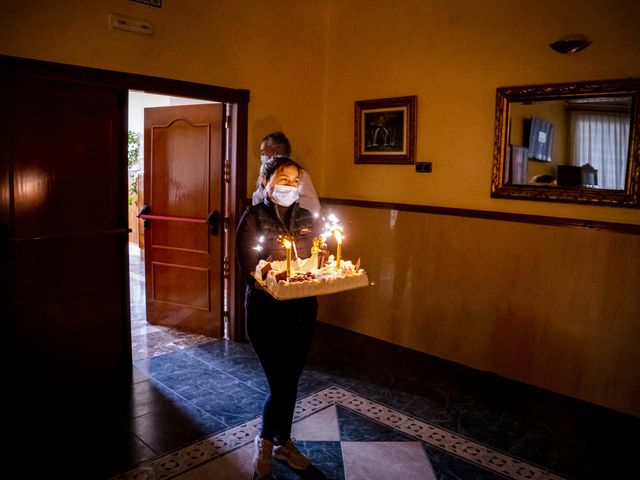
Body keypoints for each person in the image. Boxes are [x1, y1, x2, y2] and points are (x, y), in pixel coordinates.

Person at [236, 156, 320, 478]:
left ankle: (281, 443)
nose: (289, 185)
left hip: (302, 312)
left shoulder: (307, 218)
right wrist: (273, 276)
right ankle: (267, 442)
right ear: (265, 182)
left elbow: (313, 262)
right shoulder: (252, 219)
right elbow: (249, 271)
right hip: (266, 314)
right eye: (282, 178)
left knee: (291, 380)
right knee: (280, 383)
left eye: (295, 179)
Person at [252, 131, 321, 216]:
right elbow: (257, 201)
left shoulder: (300, 174)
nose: (261, 157)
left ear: (275, 152)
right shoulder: (266, 174)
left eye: (263, 153)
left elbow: (313, 207)